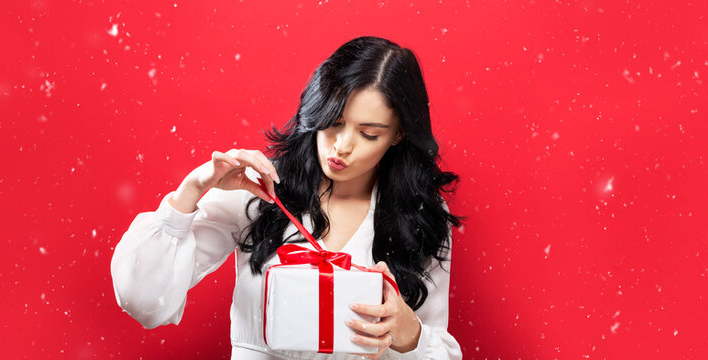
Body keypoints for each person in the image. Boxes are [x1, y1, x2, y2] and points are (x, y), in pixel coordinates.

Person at [110, 36, 464, 359]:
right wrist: (192, 189)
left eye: (369, 134)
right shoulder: (258, 190)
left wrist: (409, 335)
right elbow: (144, 301)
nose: (342, 146)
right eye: (334, 122)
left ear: (398, 134)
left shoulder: (418, 218)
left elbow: (441, 351)